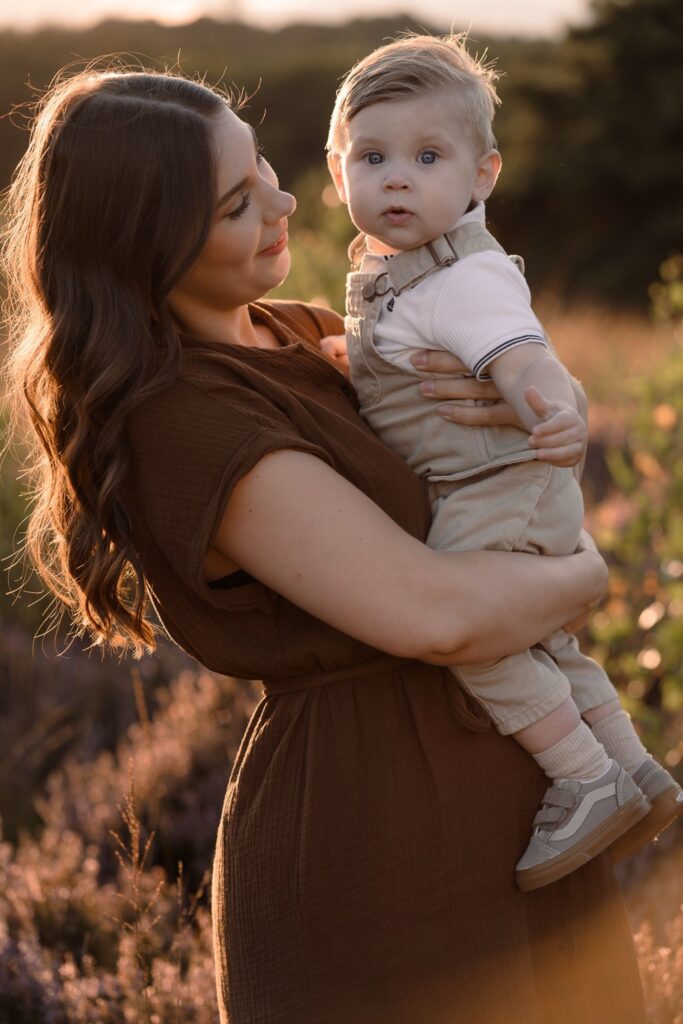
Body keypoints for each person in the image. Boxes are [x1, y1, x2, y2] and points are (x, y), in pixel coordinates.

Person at [3, 67, 648, 1024]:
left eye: (261, 164)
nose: (285, 199)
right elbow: (429, 612)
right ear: (146, 246)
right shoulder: (182, 418)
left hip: (519, 808)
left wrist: (537, 392)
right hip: (377, 837)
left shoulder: (309, 332)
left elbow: (497, 384)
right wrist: (586, 575)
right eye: (235, 203)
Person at [325, 32, 683, 890]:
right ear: (336, 170)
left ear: (482, 176)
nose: (397, 178)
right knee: (542, 639)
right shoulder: (397, 273)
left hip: (498, 483)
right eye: (372, 156)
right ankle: (633, 768)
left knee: (473, 630)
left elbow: (522, 358)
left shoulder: (459, 278)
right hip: (494, 484)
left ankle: (581, 777)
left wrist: (554, 409)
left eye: (427, 156)